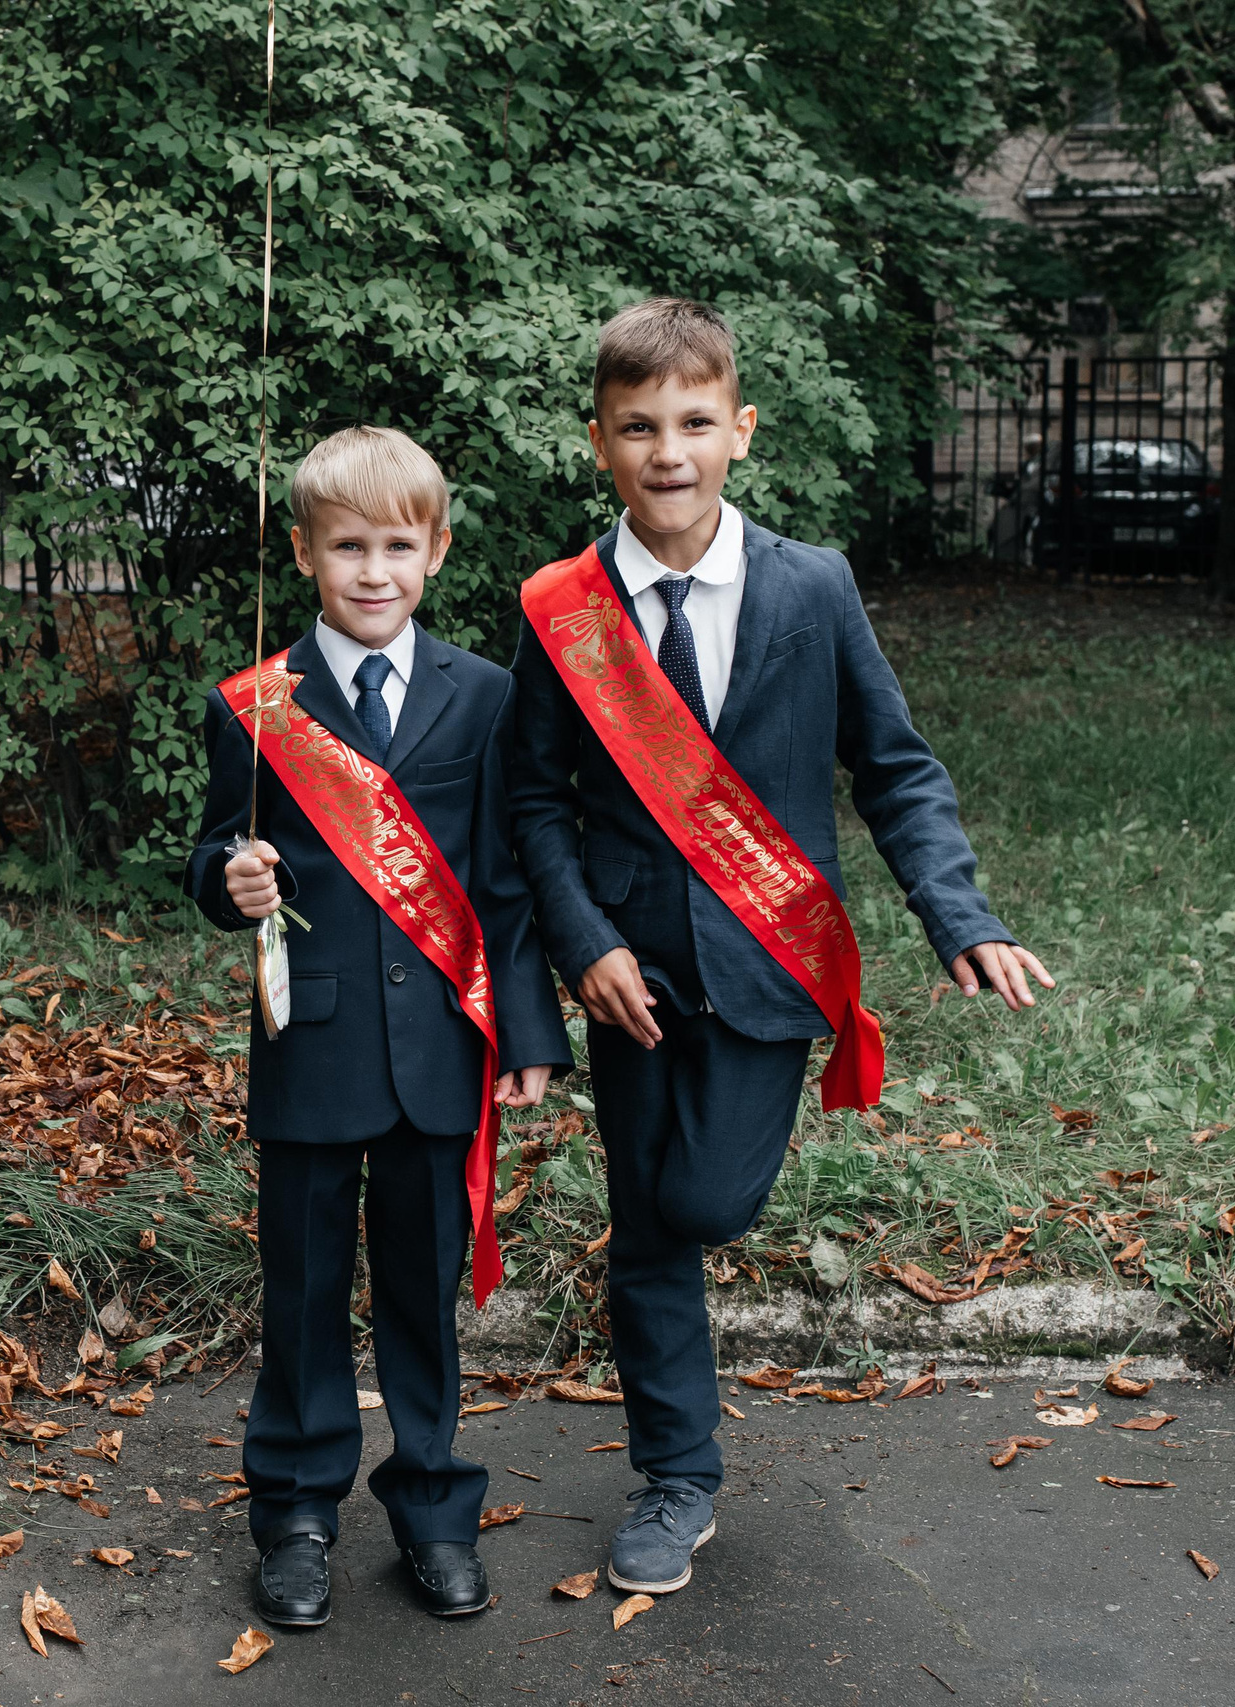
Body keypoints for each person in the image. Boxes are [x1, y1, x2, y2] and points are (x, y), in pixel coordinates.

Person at [509, 298, 1052, 1596]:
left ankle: (678, 1423)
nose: (669, 450)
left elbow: (896, 768)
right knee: (646, 1230)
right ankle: (675, 1476)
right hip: (629, 975)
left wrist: (958, 912)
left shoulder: (814, 585)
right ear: (601, 442)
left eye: (695, 422)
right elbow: (532, 801)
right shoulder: (559, 607)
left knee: (704, 1203)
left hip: (767, 962)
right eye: (639, 427)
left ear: (740, 430)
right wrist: (581, 942)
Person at [186, 425, 572, 1629]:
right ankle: (295, 1514)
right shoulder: (254, 704)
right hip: (311, 1044)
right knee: (301, 1291)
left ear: (437, 550)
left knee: (420, 1291)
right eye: (347, 546)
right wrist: (228, 880)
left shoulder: (488, 694)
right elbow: (210, 853)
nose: (372, 572)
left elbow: (501, 883)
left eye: (397, 546)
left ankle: (433, 1510)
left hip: (441, 1053)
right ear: (303, 551)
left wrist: (528, 1035)